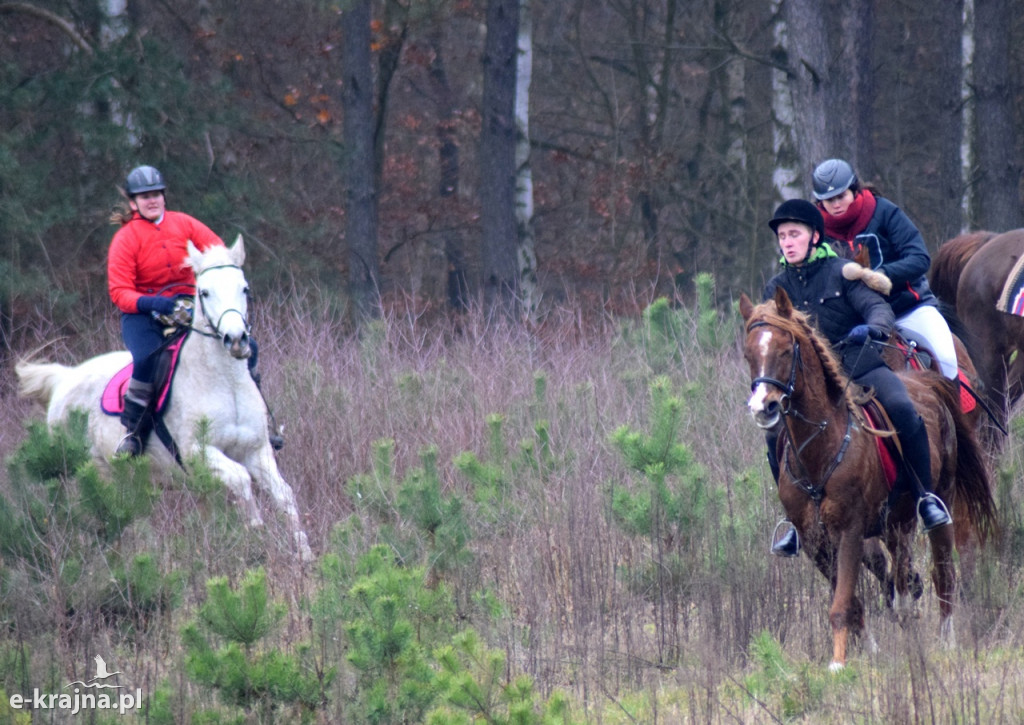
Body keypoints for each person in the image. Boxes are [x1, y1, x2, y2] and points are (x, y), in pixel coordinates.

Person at [761, 199, 952, 557]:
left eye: (794, 234)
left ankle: (926, 498)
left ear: (815, 236)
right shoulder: (776, 287)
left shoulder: (843, 272)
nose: (787, 241)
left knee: (903, 409)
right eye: (782, 236)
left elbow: (879, 307)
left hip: (859, 365)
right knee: (774, 437)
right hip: (808, 386)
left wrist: (874, 328)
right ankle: (794, 522)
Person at [108, 165, 282, 456]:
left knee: (247, 345)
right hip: (143, 314)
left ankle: (263, 423)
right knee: (146, 358)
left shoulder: (185, 224)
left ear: (164, 197)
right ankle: (134, 433)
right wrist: (153, 303)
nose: (151, 200)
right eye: (144, 196)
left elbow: (220, 256)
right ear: (132, 202)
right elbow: (119, 291)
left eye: (156, 194)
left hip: (188, 308)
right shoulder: (125, 239)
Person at [812, 158, 958, 382]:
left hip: (908, 308)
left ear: (854, 190)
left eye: (841, 196)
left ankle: (958, 410)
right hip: (857, 322)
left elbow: (920, 258)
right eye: (829, 200)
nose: (836, 204)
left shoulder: (884, 211)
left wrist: (881, 275)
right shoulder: (816, 233)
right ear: (820, 202)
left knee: (947, 358)